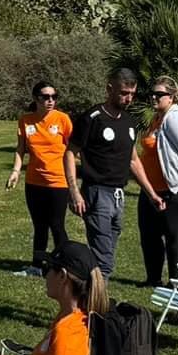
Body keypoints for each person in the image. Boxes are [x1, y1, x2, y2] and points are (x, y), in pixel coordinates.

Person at [66, 69, 160, 277]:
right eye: (124, 93)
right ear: (110, 89)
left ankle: (87, 294)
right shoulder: (92, 118)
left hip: (118, 195)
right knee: (104, 260)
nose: (128, 99)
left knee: (106, 251)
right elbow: (70, 153)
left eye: (132, 94)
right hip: (97, 193)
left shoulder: (129, 122)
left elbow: (133, 160)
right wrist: (74, 191)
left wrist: (151, 193)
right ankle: (96, 306)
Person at [0, 242, 106, 355]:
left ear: (62, 276)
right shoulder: (67, 317)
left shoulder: (69, 331)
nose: (45, 276)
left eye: (48, 269)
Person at [135, 77, 178, 289]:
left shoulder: (174, 119)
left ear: (172, 97)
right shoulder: (158, 117)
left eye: (159, 94)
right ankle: (153, 278)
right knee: (149, 233)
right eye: (153, 94)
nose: (154, 98)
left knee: (174, 233)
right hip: (153, 188)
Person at [6, 80, 74, 275]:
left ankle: (65, 266)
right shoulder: (25, 120)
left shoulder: (63, 119)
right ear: (36, 98)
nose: (50, 100)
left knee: (57, 225)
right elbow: (21, 149)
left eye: (54, 97)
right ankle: (37, 266)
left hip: (58, 182)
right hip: (34, 182)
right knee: (39, 225)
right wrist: (16, 171)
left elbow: (73, 150)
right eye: (46, 97)